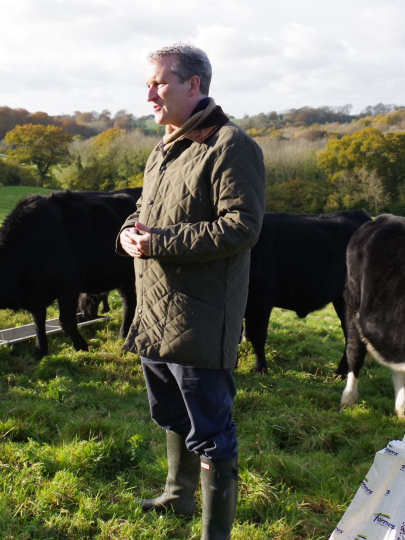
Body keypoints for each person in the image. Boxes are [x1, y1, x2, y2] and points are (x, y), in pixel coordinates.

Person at [117, 43, 266, 539]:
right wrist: (127, 233)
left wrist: (158, 242)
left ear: (193, 85)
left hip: (200, 315)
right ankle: (178, 496)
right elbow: (145, 213)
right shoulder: (163, 147)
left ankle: (214, 533)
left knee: (211, 427)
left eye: (158, 83)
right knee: (169, 413)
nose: (149, 95)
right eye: (149, 84)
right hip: (154, 310)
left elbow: (241, 227)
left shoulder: (230, 145)